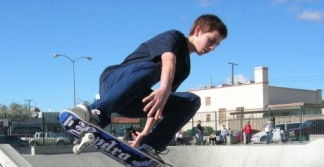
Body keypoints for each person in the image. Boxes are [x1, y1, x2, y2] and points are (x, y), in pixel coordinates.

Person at [68, 14, 228, 158]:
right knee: (153, 69)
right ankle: (97, 114)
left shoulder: (185, 68)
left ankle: (151, 146)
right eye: (212, 40)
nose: (212, 48)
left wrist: (145, 132)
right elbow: (168, 61)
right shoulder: (174, 37)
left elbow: (159, 103)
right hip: (114, 84)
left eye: (217, 46)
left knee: (192, 101)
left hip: (131, 102)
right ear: (198, 30)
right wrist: (165, 86)